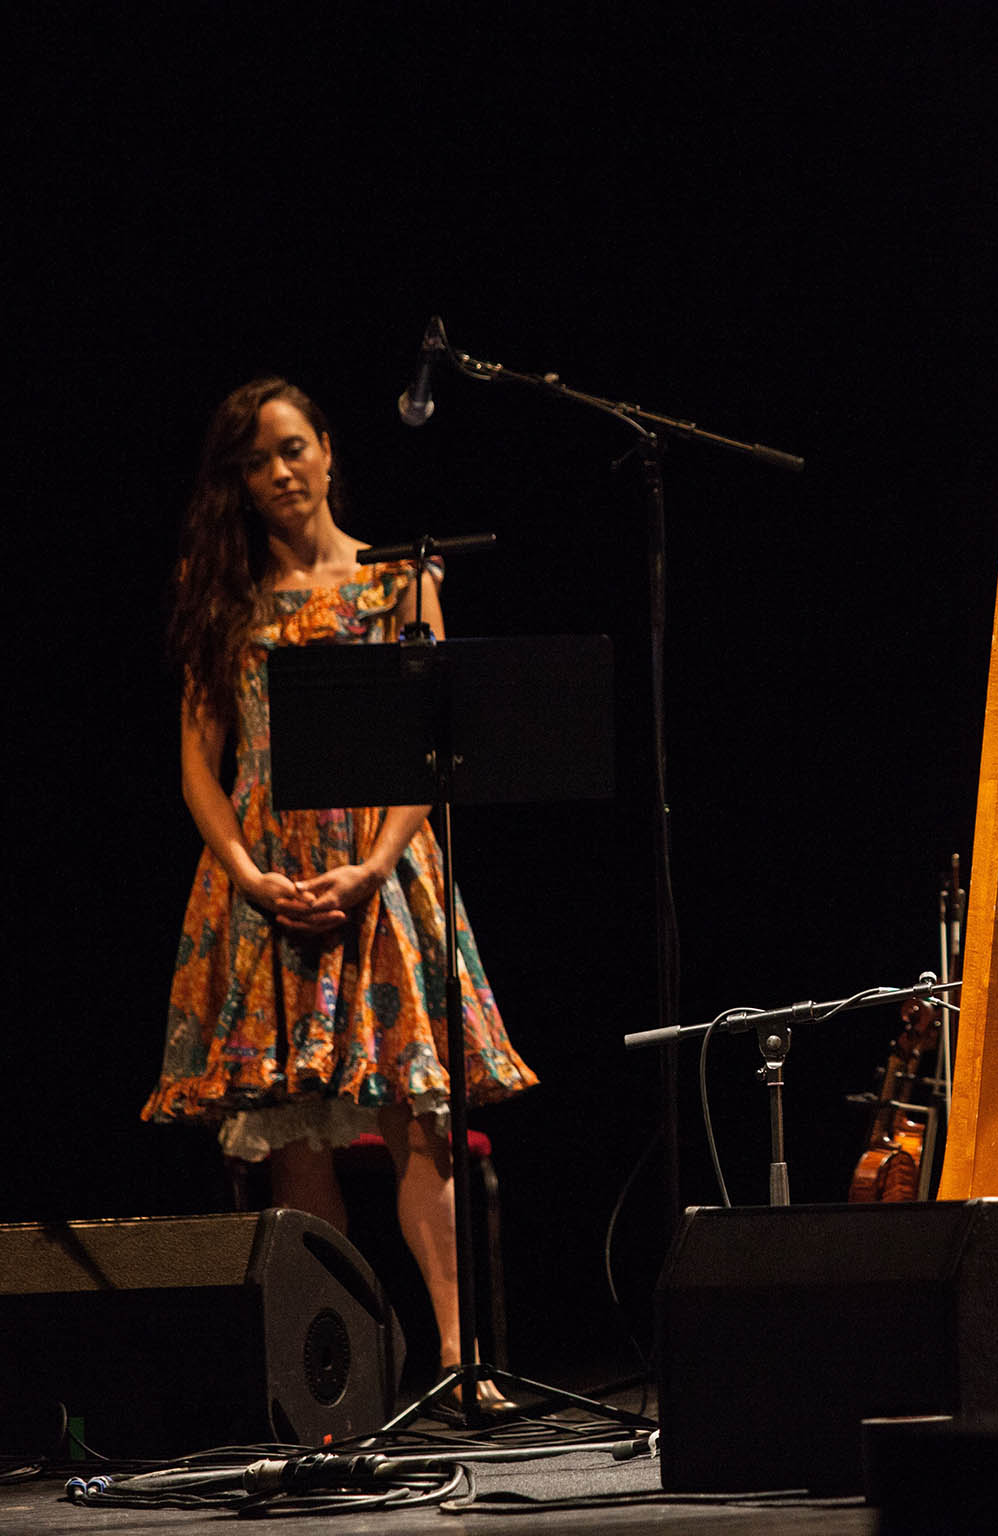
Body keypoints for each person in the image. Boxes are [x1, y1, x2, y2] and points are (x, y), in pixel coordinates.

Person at [144, 377, 537, 1404]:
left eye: (291, 449)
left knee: (419, 1110)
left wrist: (372, 866)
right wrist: (248, 877)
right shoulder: (221, 591)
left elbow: (432, 749)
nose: (279, 473)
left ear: (326, 448)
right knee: (297, 1125)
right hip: (267, 876)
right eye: (256, 461)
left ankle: (459, 1360)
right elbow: (198, 762)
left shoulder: (398, 579)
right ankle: (339, 1370)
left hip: (381, 868)